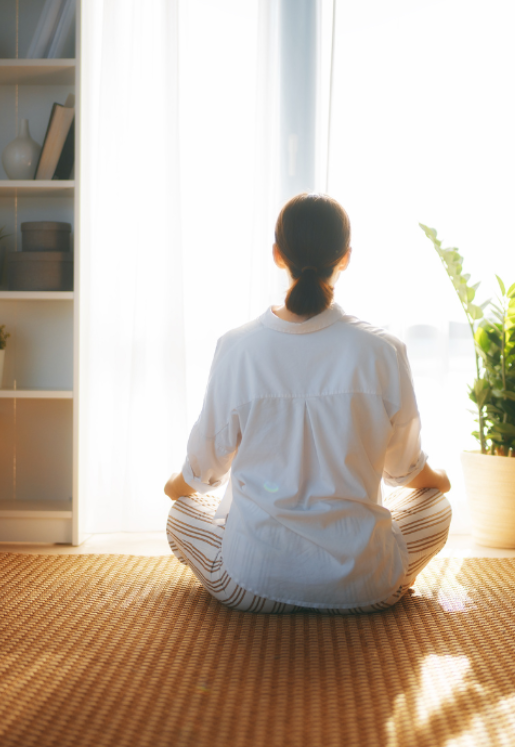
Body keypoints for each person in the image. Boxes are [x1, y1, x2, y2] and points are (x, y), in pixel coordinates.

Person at [164, 193, 452, 614]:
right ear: (347, 257)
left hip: (250, 586)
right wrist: (438, 479)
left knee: (182, 515)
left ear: (278, 256)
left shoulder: (237, 347)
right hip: (365, 591)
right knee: (438, 507)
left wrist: (176, 489)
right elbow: (404, 471)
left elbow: (203, 470)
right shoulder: (384, 350)